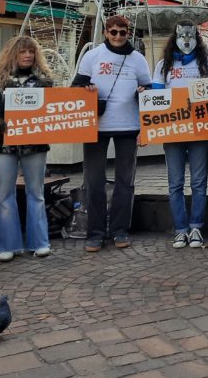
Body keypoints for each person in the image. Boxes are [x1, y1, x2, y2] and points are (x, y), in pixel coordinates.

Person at [72, 15, 152, 253]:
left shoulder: (138, 60)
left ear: (129, 33)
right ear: (106, 33)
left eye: (123, 32)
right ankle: (95, 233)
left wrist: (143, 93)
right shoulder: (92, 56)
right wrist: (85, 89)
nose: (118, 36)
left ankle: (119, 230)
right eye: (113, 32)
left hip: (128, 126)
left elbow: (149, 93)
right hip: (95, 127)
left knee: (124, 182)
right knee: (94, 182)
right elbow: (75, 87)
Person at [0, 35, 55, 262]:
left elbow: (58, 109)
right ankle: (6, 245)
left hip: (35, 143)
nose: (27, 55)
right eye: (22, 52)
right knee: (5, 194)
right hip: (3, 143)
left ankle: (39, 242)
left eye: (31, 51)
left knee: (36, 193)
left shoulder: (44, 81)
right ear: (13, 54)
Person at [152, 21, 208, 249]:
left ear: (197, 38)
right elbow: (157, 100)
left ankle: (196, 226)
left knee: (199, 182)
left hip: (200, 131)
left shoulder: (206, 62)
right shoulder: (163, 65)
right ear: (175, 37)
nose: (186, 40)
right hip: (173, 131)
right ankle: (181, 229)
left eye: (191, 36)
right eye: (182, 36)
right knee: (175, 183)